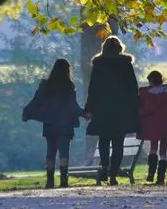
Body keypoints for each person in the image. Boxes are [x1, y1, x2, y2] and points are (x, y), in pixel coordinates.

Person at [22, 59, 86, 188]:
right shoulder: (69, 87)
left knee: (50, 152)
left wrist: (27, 112)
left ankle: (50, 180)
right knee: (64, 152)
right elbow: (73, 107)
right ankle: (63, 180)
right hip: (65, 124)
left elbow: (36, 101)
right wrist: (84, 114)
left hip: (50, 123)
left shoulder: (46, 86)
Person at [84, 36, 139, 186]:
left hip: (103, 108)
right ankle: (113, 173)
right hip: (121, 109)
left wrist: (89, 109)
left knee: (103, 140)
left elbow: (93, 89)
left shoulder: (99, 64)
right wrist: (135, 108)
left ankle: (104, 167)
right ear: (120, 48)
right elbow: (132, 88)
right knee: (118, 142)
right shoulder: (126, 64)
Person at [137, 70, 167, 185]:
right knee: (163, 151)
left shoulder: (144, 92)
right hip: (166, 123)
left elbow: (139, 107)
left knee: (153, 147)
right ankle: (161, 177)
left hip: (151, 123)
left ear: (150, 81)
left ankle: (151, 172)